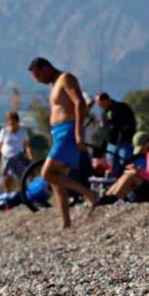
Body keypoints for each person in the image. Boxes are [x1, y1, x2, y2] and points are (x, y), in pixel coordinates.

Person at [28, 56, 99, 228]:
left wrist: (78, 134)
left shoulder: (66, 78)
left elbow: (79, 103)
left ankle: (89, 194)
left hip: (68, 131)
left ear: (46, 69)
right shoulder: (54, 85)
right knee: (57, 180)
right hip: (58, 132)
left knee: (46, 173)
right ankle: (66, 222)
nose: (38, 81)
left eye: (38, 76)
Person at [101, 132, 149, 202]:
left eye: (141, 149)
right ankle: (107, 197)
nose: (141, 152)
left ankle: (109, 200)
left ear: (147, 144)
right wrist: (137, 170)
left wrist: (139, 172)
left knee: (131, 175)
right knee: (127, 173)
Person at [94, 92, 138, 172]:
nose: (99, 106)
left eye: (100, 103)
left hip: (124, 143)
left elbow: (131, 124)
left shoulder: (122, 107)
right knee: (113, 166)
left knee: (125, 163)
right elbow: (104, 131)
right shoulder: (104, 113)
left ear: (106, 100)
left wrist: (126, 133)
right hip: (111, 144)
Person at [0, 111, 34, 193]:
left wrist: (30, 157)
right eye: (9, 121)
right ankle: (7, 193)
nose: (11, 123)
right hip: (6, 157)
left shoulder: (23, 132)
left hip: (18, 156)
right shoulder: (3, 132)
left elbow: (27, 146)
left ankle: (24, 194)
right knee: (6, 178)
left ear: (17, 121)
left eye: (13, 120)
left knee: (22, 177)